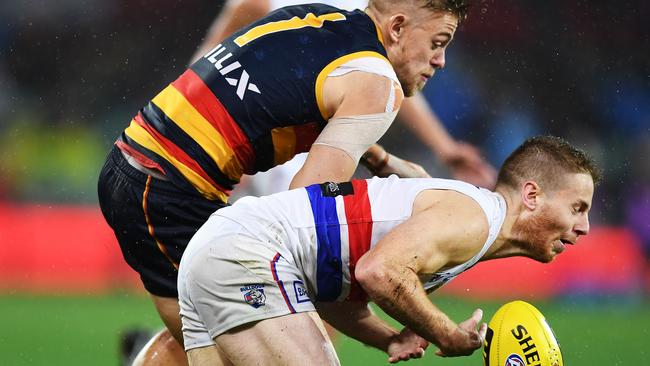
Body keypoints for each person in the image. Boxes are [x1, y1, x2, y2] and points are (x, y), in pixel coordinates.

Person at [98, 0, 473, 364]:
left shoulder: (317, 18)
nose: (440, 60)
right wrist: (387, 329)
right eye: (437, 43)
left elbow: (290, 94)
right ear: (397, 27)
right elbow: (302, 223)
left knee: (215, 340)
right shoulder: (377, 86)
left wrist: (381, 160)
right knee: (273, 340)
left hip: (136, 167)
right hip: (172, 194)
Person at [177, 135, 600, 365]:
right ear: (531, 195)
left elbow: (334, 290)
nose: (583, 227)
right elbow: (379, 272)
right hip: (249, 252)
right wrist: (446, 334)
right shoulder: (477, 218)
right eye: (577, 208)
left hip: (218, 252)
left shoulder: (468, 221)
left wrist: (390, 339)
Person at [190, 0, 497, 195]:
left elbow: (394, 80)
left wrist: (444, 148)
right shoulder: (260, 3)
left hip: (310, 143)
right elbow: (210, 60)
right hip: (245, 141)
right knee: (302, 228)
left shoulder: (372, 9)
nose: (440, 60)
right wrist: (216, 135)